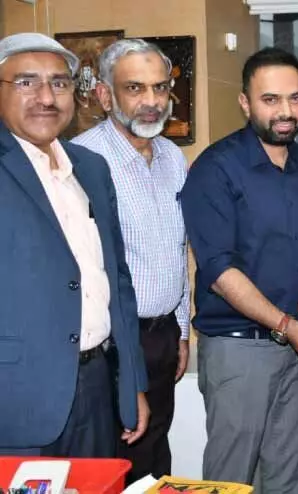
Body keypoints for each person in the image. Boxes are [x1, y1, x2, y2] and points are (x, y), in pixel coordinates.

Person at [180, 47, 298, 492]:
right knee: (232, 480)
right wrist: (286, 325)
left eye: (295, 98)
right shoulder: (214, 169)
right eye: (271, 99)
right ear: (245, 103)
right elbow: (219, 271)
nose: (285, 111)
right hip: (239, 350)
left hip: (296, 346)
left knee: (290, 474)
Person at [0, 33, 148, 456]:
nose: (46, 97)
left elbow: (116, 280)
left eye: (59, 83)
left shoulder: (91, 168)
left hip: (96, 387)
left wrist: (132, 384)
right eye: (26, 82)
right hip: (16, 401)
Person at [72, 39, 189, 483]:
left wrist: (181, 330)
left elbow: (178, 249)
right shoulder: (81, 161)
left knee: (155, 456)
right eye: (135, 88)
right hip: (112, 345)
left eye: (160, 88)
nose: (152, 101)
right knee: (116, 463)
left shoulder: (173, 157)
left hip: (163, 336)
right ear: (105, 96)